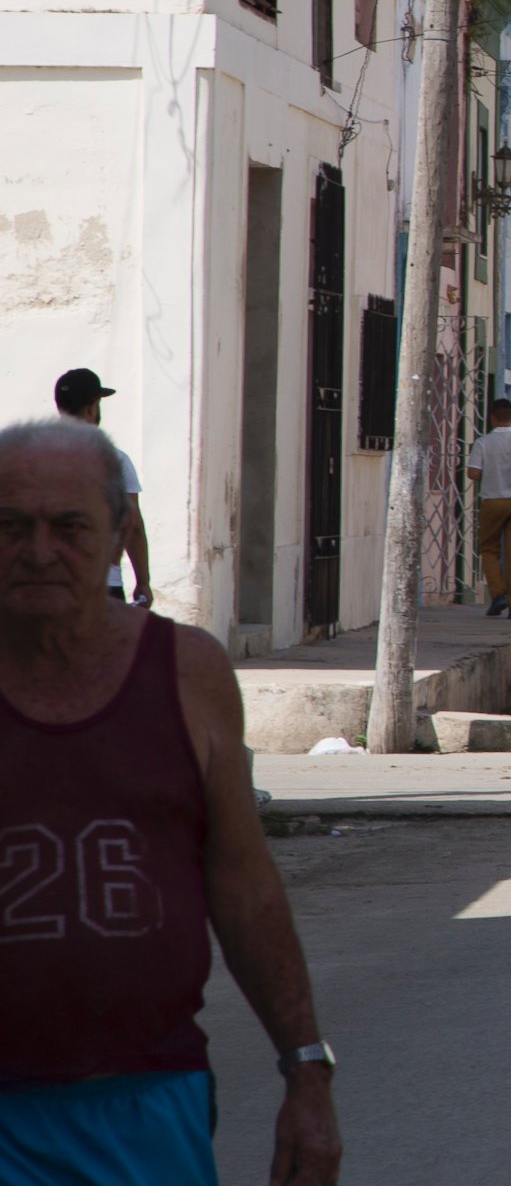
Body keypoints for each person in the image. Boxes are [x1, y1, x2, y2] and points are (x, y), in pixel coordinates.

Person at [0, 418, 341, 1186]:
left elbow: (245, 884)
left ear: (122, 531)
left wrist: (306, 1074)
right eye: (12, 526)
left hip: (150, 1104)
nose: (39, 551)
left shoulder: (186, 674)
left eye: (69, 526)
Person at [54, 368, 149, 608]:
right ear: (92, 408)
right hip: (102, 582)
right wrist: (143, 582)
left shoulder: (29, 457)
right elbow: (132, 524)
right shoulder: (114, 461)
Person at [465, 397, 511, 619]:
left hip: (492, 501)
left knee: (489, 548)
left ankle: (498, 594)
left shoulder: (483, 443)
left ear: (493, 417)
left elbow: (473, 473)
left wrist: (492, 474)